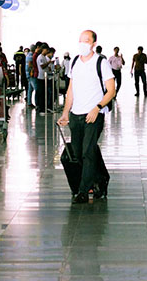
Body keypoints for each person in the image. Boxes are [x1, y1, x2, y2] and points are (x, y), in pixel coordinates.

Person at [58, 29, 115, 204]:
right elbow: (70, 90)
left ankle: (83, 191)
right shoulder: (75, 62)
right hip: (76, 115)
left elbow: (111, 91)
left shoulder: (101, 63)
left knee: (88, 152)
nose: (83, 44)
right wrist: (65, 112)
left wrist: (97, 108)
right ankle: (100, 178)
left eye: (86, 41)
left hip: (93, 115)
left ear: (93, 44)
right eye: (80, 40)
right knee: (77, 151)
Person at [36, 46, 51, 114]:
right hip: (41, 78)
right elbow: (42, 66)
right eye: (46, 50)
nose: (47, 51)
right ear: (43, 49)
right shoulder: (40, 57)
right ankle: (41, 109)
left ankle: (44, 108)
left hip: (45, 77)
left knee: (45, 93)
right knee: (41, 94)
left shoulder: (44, 57)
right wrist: (48, 62)